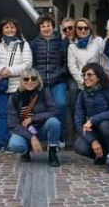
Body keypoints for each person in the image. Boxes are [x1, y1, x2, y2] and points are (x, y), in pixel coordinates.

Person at [0, 18, 33, 152]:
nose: (9, 30)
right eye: (6, 27)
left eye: (12, 27)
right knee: (2, 113)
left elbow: (27, 64)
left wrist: (10, 71)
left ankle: (12, 141)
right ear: (2, 30)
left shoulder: (23, 44)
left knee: (15, 115)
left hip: (16, 85)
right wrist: (1, 70)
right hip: (1, 85)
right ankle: (0, 141)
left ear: (16, 29)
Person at [73, 63, 109, 173]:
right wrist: (93, 141)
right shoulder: (82, 94)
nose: (86, 78)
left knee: (104, 124)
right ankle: (103, 155)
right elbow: (78, 121)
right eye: (84, 75)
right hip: (96, 131)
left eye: (90, 75)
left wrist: (92, 120)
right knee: (79, 146)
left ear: (99, 76)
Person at [7, 69, 61, 167]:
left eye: (33, 78)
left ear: (38, 80)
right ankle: (26, 150)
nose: (30, 81)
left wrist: (33, 118)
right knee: (15, 145)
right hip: (23, 131)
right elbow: (13, 124)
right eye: (26, 79)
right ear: (22, 81)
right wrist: (31, 137)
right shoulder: (14, 97)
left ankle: (52, 153)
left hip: (40, 128)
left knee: (54, 122)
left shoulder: (44, 92)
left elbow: (54, 112)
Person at [30, 14, 68, 148]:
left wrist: (60, 73)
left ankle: (60, 134)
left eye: (48, 25)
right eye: (43, 26)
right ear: (39, 28)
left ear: (53, 27)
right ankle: (44, 136)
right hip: (40, 83)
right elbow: (32, 62)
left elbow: (65, 61)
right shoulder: (34, 43)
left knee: (61, 104)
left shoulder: (60, 42)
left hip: (57, 80)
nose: (46, 28)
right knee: (40, 109)